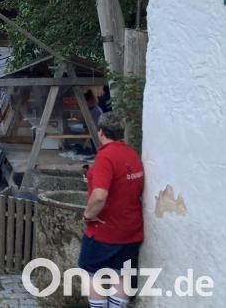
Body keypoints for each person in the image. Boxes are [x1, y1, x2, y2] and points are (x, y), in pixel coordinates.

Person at [79, 113, 143, 308]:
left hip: (105, 230)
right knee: (120, 276)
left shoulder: (105, 156)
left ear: (100, 132)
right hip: (130, 230)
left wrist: (87, 215)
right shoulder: (131, 154)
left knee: (93, 274)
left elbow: (99, 195)